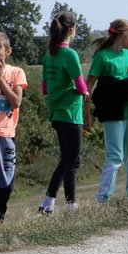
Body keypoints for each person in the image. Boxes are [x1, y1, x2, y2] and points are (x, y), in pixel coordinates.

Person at [84, 18, 128, 203]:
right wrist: (86, 114)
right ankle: (103, 199)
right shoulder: (102, 56)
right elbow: (89, 87)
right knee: (115, 156)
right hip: (112, 112)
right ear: (123, 34)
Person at [39, 11, 88, 214]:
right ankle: (60, 203)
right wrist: (85, 93)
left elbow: (44, 89)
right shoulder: (70, 54)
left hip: (56, 112)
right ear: (71, 30)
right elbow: (79, 85)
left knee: (68, 158)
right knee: (72, 159)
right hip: (70, 112)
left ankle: (60, 204)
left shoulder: (48, 55)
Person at [0, 31, 27, 230]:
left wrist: (1, 79)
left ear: (7, 51)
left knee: (6, 182)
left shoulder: (16, 72)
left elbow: (16, 101)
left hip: (7, 135)